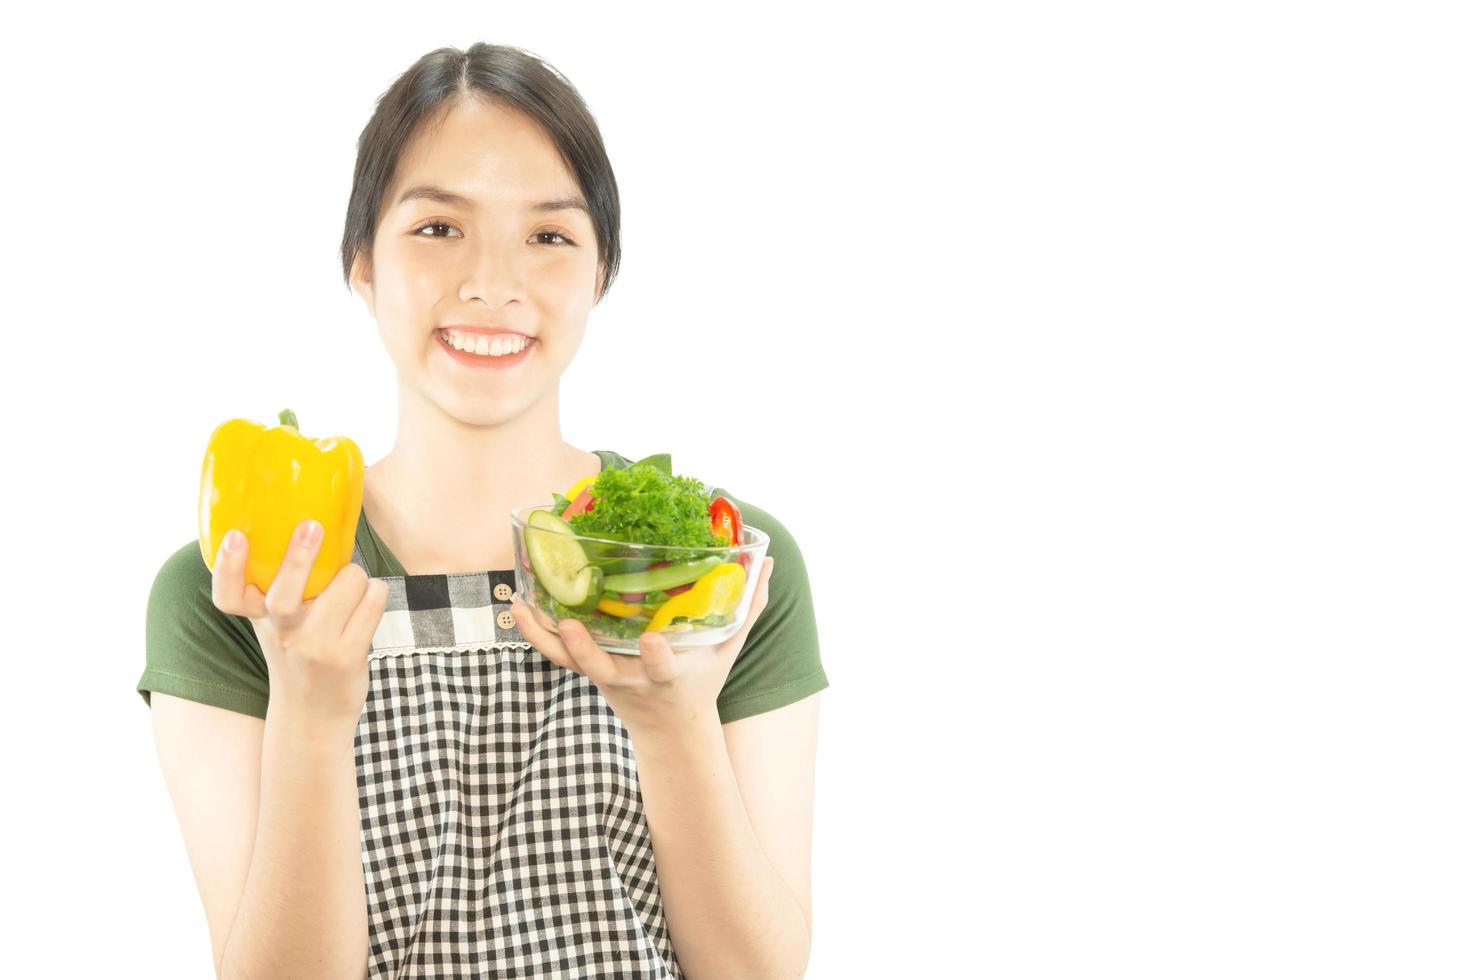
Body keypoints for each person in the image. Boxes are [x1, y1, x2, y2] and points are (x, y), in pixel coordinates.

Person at [138, 42, 829, 979]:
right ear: (362, 265)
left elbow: (759, 973)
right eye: (436, 229)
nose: (492, 284)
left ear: (600, 272)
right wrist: (310, 711)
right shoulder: (239, 583)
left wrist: (675, 729)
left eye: (549, 236)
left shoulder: (714, 563)